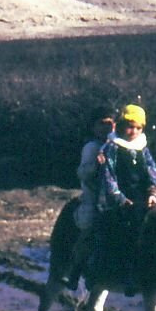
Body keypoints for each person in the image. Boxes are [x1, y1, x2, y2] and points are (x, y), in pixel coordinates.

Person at [96, 104, 156, 294]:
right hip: (123, 197)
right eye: (129, 126)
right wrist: (119, 198)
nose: (133, 131)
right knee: (131, 227)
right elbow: (108, 175)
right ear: (120, 126)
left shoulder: (142, 148)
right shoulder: (113, 147)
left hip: (143, 195)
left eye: (138, 128)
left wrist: (153, 193)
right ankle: (128, 272)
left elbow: (153, 173)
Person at [60, 105, 115, 290]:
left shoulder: (116, 145)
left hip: (114, 196)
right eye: (102, 123)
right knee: (90, 226)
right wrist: (96, 167)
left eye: (110, 123)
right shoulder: (91, 148)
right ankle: (76, 270)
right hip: (93, 196)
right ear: (93, 127)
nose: (107, 127)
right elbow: (82, 173)